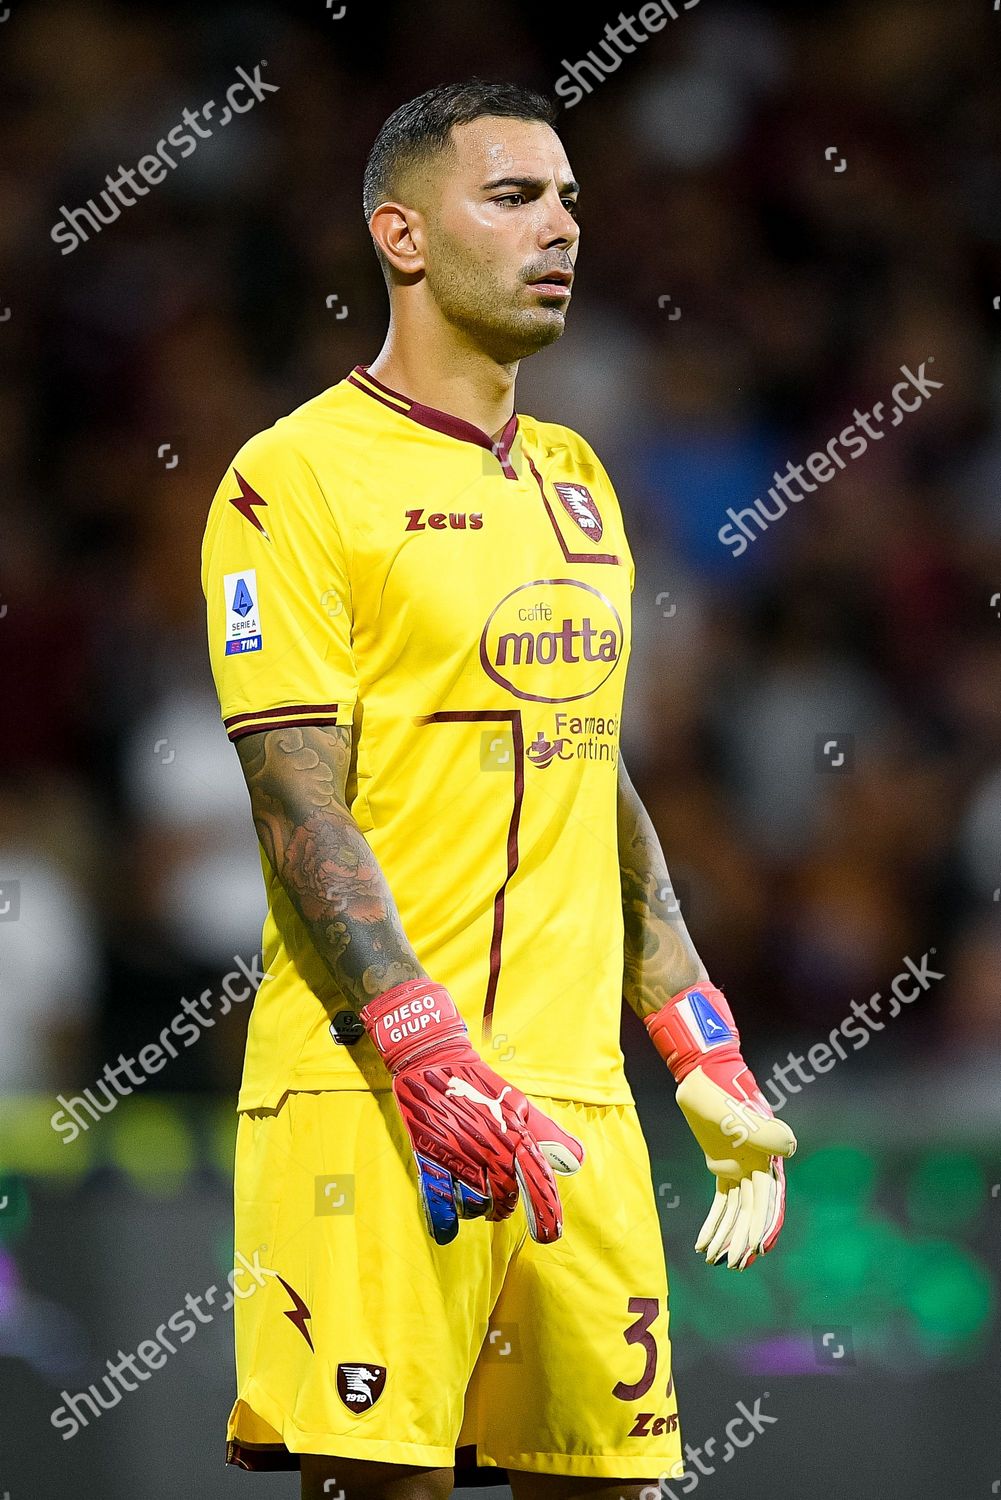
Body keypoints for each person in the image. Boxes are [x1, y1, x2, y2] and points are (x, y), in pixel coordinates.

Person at [201, 78, 796, 1500]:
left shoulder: (583, 485)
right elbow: (297, 804)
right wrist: (417, 1047)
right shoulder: (289, 480)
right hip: (372, 1094)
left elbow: (599, 777)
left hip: (576, 1106)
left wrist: (695, 1036)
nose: (562, 229)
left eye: (572, 198)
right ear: (400, 235)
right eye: (514, 196)